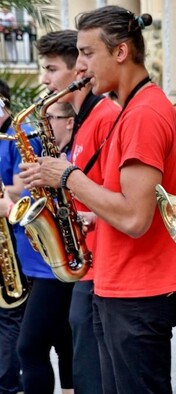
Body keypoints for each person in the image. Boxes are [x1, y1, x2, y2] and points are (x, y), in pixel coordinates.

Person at [20, 6, 176, 393]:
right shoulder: (135, 108)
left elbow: (135, 218)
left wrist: (67, 176)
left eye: (87, 53)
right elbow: (134, 203)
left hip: (140, 287)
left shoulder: (142, 114)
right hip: (126, 282)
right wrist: (93, 217)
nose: (81, 66)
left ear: (120, 52)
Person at [34, 29, 121, 394]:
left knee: (95, 372)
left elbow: (126, 198)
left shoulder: (106, 116)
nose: (44, 79)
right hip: (90, 258)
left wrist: (66, 179)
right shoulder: (87, 118)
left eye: (51, 69)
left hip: (107, 263)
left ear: (78, 71)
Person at [6, 101, 76, 394]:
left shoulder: (72, 155)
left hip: (55, 265)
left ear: (70, 121)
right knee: (63, 341)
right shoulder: (47, 151)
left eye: (50, 117)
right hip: (40, 262)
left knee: (29, 348)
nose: (43, 123)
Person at [0, 79, 32, 394]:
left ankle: (8, 385)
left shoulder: (14, 138)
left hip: (14, 238)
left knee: (9, 315)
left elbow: (19, 190)